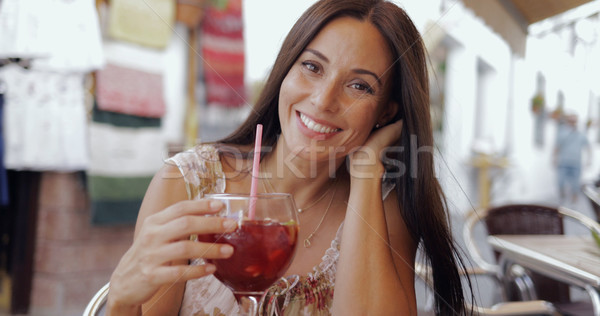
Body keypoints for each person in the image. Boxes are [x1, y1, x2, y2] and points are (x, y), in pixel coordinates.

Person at [106, 0, 471, 315]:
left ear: (386, 113)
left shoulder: (383, 209)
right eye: (312, 67)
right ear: (285, 70)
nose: (323, 100)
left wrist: (365, 172)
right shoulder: (187, 184)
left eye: (359, 86)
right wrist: (121, 302)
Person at [553, 113, 591, 203]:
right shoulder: (562, 132)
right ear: (567, 121)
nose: (573, 123)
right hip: (563, 162)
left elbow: (588, 147)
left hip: (576, 162)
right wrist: (554, 158)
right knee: (560, 182)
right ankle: (562, 197)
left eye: (574, 121)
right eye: (571, 121)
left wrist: (589, 159)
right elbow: (557, 146)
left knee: (575, 184)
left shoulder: (581, 133)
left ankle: (574, 200)